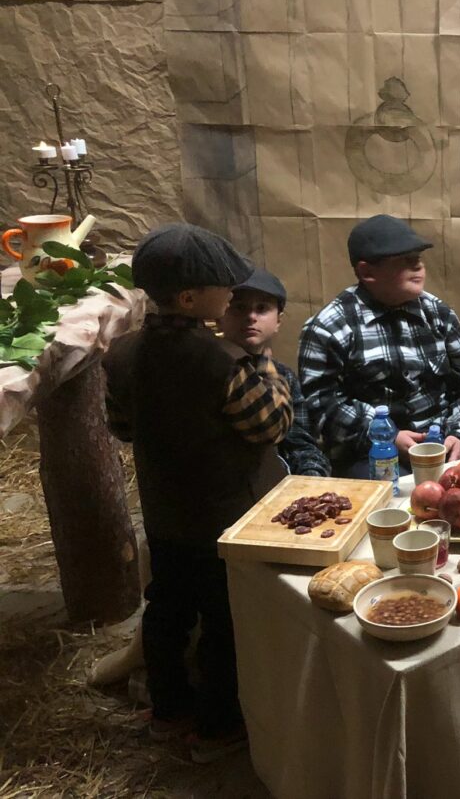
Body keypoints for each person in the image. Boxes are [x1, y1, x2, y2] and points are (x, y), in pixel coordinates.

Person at [103, 224, 292, 763]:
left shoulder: (122, 353)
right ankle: (217, 726)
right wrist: (265, 365)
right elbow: (271, 426)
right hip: (225, 519)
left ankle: (169, 711)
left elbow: (121, 427)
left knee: (166, 610)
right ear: (190, 299)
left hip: (165, 513)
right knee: (224, 623)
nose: (232, 296)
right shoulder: (222, 362)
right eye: (224, 288)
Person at [298, 215, 460, 477]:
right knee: (394, 495)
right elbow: (322, 406)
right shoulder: (328, 328)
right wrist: (387, 435)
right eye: (404, 260)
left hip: (442, 439)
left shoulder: (438, 313)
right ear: (367, 272)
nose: (418, 266)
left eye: (418, 258)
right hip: (369, 450)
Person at [218, 268, 330, 477]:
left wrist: (313, 479)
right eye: (239, 307)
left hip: (279, 481)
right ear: (220, 316)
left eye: (261, 309)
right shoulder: (214, 368)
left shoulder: (282, 375)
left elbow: (300, 442)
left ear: (278, 321)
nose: (251, 316)